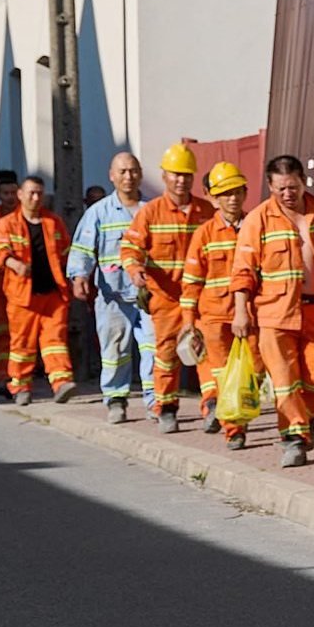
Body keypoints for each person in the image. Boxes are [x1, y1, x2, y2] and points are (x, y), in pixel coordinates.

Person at [229, 154, 314, 468]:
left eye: (292, 186)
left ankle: (307, 417)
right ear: (271, 187)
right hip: (274, 314)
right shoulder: (258, 220)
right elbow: (243, 270)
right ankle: (293, 439)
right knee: (285, 381)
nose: (287, 193)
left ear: (303, 181)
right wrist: (240, 311)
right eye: (280, 189)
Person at [118, 144, 213, 433]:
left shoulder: (205, 211)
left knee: (207, 352)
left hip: (202, 297)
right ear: (164, 176)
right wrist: (135, 271)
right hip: (166, 298)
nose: (181, 180)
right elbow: (131, 247)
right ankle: (167, 408)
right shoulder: (151, 213)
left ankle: (212, 405)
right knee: (167, 355)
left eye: (186, 174)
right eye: (176, 174)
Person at [69, 151, 150, 422]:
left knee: (154, 349)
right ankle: (116, 398)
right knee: (115, 350)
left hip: (148, 295)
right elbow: (82, 247)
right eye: (123, 172)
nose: (129, 177)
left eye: (133, 171)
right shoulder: (98, 212)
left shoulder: (150, 211)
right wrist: (79, 276)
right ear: (112, 176)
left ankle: (157, 403)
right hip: (112, 296)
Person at [179, 163, 253, 443]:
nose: (232, 199)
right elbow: (191, 281)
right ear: (214, 197)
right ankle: (233, 429)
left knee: (250, 373)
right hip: (214, 318)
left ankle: (221, 410)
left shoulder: (255, 227)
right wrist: (188, 323)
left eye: (237, 192)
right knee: (223, 374)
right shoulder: (205, 234)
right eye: (226, 193)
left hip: (250, 316)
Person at [0, 174, 78, 403]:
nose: (36, 197)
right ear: (21, 195)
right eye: (31, 192)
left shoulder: (54, 222)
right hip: (23, 296)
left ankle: (61, 383)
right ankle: (20, 387)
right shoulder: (7, 224)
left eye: (40, 192)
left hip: (53, 293)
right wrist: (15, 264)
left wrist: (76, 277)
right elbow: (0, 253)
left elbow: (66, 253)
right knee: (22, 344)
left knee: (55, 341)